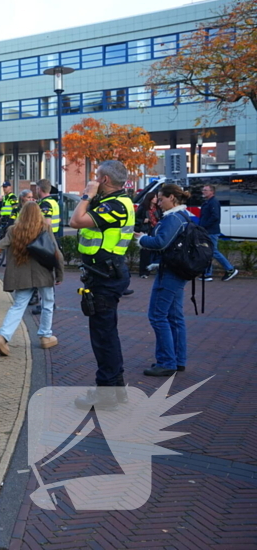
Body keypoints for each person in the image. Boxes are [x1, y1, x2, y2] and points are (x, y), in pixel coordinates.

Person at [69, 160, 135, 410]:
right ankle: (116, 389)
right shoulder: (112, 202)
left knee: (103, 337)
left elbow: (76, 221)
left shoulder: (116, 205)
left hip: (105, 277)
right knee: (107, 334)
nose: (93, 180)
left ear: (105, 180)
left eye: (97, 177)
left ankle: (106, 392)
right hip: (103, 274)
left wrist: (87, 194)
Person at [0, 202, 63, 355]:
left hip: (21, 275)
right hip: (43, 273)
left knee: (18, 306)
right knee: (47, 302)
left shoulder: (13, 230)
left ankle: (2, 337)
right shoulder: (45, 228)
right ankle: (45, 336)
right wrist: (59, 273)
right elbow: (56, 253)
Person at [136, 183, 193, 377]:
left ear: (172, 198)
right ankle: (178, 359)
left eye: (161, 199)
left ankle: (167, 361)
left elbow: (160, 243)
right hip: (179, 271)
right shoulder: (184, 216)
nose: (158, 203)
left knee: (158, 315)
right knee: (175, 317)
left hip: (169, 272)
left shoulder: (172, 219)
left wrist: (142, 238)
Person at [199, 184, 238, 282]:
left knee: (213, 251)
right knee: (208, 252)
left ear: (212, 192)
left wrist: (204, 226)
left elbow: (215, 217)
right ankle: (207, 274)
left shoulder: (213, 202)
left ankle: (230, 269)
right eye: (203, 190)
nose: (203, 192)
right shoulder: (208, 202)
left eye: (206, 190)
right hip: (208, 231)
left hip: (211, 231)